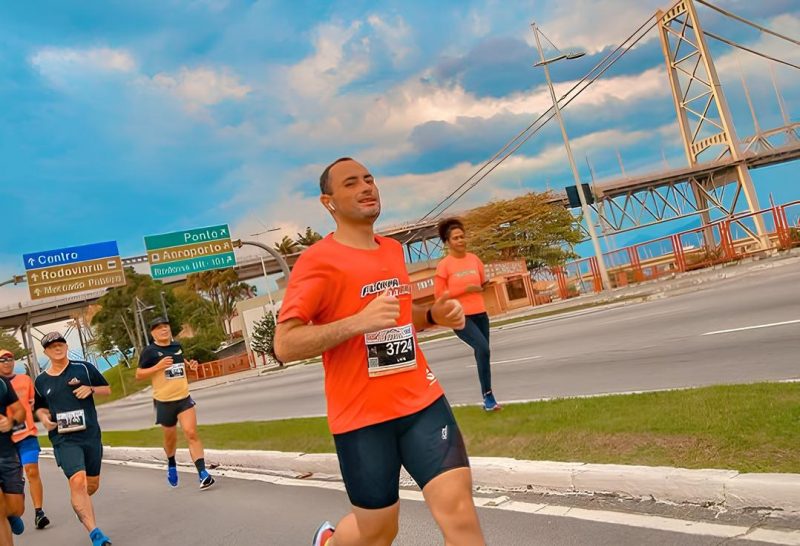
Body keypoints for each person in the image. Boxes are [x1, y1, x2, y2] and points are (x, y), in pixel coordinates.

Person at [274, 157, 486, 546]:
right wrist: (358, 322)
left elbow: (401, 317)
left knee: (459, 513)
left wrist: (433, 314)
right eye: (351, 183)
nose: (366, 187)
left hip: (421, 402)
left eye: (369, 179)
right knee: (378, 532)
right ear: (329, 202)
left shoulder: (390, 250)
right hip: (361, 419)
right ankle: (329, 541)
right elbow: (284, 344)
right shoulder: (317, 262)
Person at [33, 332, 112, 546]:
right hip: (64, 439)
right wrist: (44, 418)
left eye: (60, 344)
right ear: (46, 352)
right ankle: (96, 534)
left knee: (91, 486)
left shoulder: (84, 368)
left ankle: (80, 505)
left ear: (66, 346)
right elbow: (39, 408)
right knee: (77, 481)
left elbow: (107, 389)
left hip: (90, 436)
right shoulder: (41, 381)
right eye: (52, 346)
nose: (57, 348)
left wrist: (91, 388)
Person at [136, 317, 214, 490]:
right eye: (159, 328)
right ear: (152, 333)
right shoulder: (150, 352)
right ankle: (171, 463)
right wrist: (157, 367)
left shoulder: (177, 347)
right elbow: (139, 374)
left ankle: (203, 473)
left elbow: (181, 369)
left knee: (191, 432)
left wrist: (191, 368)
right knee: (171, 439)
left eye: (166, 327)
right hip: (164, 401)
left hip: (184, 398)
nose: (164, 330)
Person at [435, 218, 501, 412]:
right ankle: (488, 398)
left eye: (462, 236)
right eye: (456, 238)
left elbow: (480, 285)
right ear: (447, 242)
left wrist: (488, 284)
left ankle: (488, 398)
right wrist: (465, 289)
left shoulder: (474, 259)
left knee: (483, 353)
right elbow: (439, 296)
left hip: (480, 314)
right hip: (459, 316)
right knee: (483, 348)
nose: (461, 240)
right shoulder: (444, 266)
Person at [0, 349, 49, 530]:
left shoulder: (25, 380)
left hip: (26, 435)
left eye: (9, 358)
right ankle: (10, 512)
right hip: (6, 442)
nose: (6, 362)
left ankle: (39, 512)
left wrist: (44, 416)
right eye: (2, 359)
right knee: (10, 485)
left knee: (31, 471)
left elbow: (34, 404)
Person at [0, 351, 25, 545]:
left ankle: (11, 513)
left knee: (16, 509)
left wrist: (10, 421)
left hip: (6, 451)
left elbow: (20, 411)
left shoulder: (1, 383)